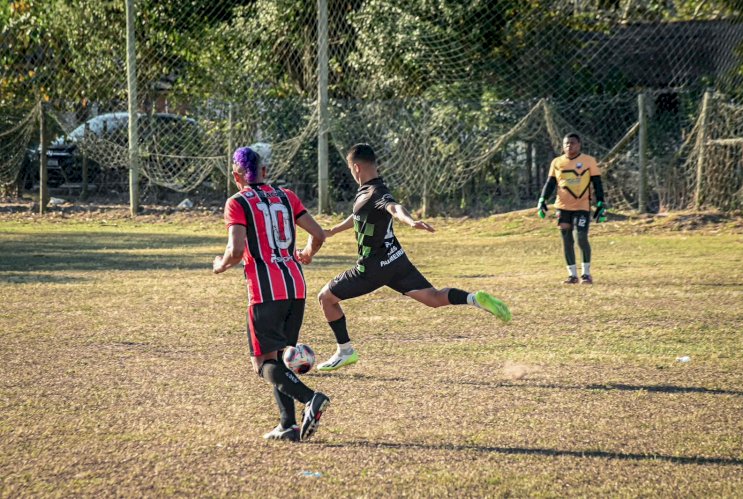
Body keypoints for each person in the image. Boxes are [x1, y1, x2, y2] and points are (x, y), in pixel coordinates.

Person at [313, 143, 512, 372]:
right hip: (395, 260)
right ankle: (475, 299)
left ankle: (345, 351)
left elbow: (394, 208)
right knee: (433, 298)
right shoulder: (370, 190)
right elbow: (360, 215)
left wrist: (410, 221)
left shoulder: (376, 192)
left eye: (350, 170)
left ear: (356, 168)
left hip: (372, 268)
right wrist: (334, 230)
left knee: (326, 298)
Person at [213, 145, 329, 442]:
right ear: (264, 172)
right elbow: (318, 235)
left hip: (265, 291)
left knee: (263, 363)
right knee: (281, 359)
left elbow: (236, 249)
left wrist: (221, 265)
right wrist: (306, 253)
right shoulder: (287, 197)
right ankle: (288, 424)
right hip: (295, 286)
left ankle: (311, 398)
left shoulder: (237, 202)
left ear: (235, 174)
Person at [537, 133, 606, 284]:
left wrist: (601, 202)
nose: (569, 146)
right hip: (562, 207)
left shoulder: (588, 161)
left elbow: (597, 183)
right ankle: (572, 275)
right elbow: (550, 183)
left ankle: (586, 274)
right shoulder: (557, 162)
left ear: (579, 144)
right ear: (562, 146)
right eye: (566, 144)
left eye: (573, 143)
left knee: (581, 237)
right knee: (566, 240)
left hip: (582, 206)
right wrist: (542, 199)